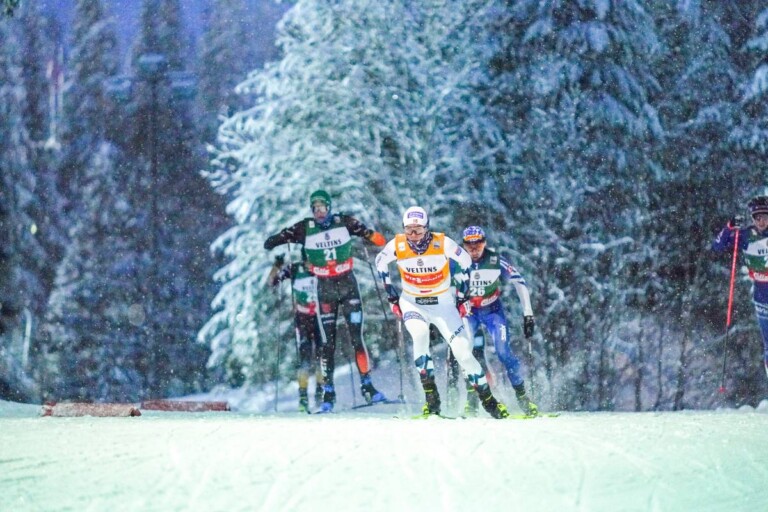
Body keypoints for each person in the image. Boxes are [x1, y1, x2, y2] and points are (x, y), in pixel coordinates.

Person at [375, 206, 510, 418]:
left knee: (463, 353)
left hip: (442, 304)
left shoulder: (442, 243)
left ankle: (490, 402)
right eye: (409, 230)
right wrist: (392, 297)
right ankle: (432, 401)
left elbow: (465, 261)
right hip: (413, 303)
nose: (414, 236)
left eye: (418, 231)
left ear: (427, 229)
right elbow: (380, 262)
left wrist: (463, 296)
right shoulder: (398, 245)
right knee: (420, 336)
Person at [264, 189, 388, 412]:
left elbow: (376, 238)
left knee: (356, 337)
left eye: (322, 207)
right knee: (327, 345)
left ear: (329, 207)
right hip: (325, 291)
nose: (319, 212)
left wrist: (370, 236)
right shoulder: (305, 228)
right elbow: (273, 241)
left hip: (348, 286)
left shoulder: (343, 222)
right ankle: (328, 394)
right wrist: (277, 242)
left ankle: (368, 387)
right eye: (315, 208)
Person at [446, 226, 538, 417]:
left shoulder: (494, 260)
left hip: (492, 311)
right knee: (466, 352)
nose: (473, 248)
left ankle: (523, 398)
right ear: (463, 245)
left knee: (503, 352)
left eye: (478, 243)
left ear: (484, 242)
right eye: (469, 244)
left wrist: (528, 313)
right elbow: (440, 285)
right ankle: (471, 401)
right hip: (468, 311)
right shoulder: (455, 262)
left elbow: (519, 281)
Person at [712, 195, 768, 379]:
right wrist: (729, 227)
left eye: (765, 216)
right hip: (762, 296)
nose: (762, 221)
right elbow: (717, 246)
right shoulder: (745, 235)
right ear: (752, 218)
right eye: (757, 217)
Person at [269, 253, 325, 413]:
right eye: (307, 260)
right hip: (303, 320)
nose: (309, 264)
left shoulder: (321, 267)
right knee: (305, 360)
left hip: (320, 318)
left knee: (323, 358)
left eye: (312, 260)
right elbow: (272, 282)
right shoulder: (295, 268)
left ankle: (321, 395)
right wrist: (277, 265)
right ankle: (303, 398)